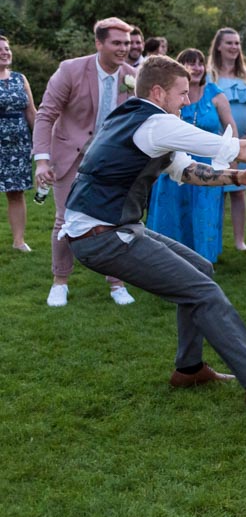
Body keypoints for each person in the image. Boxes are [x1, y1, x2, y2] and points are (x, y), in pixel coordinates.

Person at [65, 55, 246, 403]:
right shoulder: (156, 124)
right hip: (104, 235)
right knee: (205, 291)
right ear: (158, 92)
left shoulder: (130, 118)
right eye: (182, 93)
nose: (188, 100)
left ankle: (189, 369)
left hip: (106, 228)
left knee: (201, 269)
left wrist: (237, 176)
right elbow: (243, 147)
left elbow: (186, 170)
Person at [33, 17, 139, 307]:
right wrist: (42, 161)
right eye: (116, 43)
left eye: (127, 43)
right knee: (65, 220)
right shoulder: (70, 70)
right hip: (70, 154)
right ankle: (60, 281)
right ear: (99, 43)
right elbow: (45, 115)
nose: (123, 49)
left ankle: (117, 283)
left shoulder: (131, 76)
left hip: (112, 160)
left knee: (115, 220)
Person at [146, 49, 235, 263]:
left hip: (207, 164)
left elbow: (230, 127)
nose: (195, 68)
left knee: (203, 212)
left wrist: (231, 159)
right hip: (172, 161)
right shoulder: (168, 95)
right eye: (189, 63)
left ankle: (202, 259)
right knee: (172, 211)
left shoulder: (215, 94)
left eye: (199, 63)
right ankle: (167, 260)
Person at [207, 27, 246, 252]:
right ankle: (212, 239)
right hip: (215, 142)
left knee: (239, 189)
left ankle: (240, 241)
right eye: (229, 43)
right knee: (215, 189)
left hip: (242, 142)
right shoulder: (210, 75)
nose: (233, 47)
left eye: (237, 43)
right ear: (218, 46)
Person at [0, 36, 37, 252]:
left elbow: (31, 112)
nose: (5, 52)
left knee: (16, 192)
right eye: (0, 49)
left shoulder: (19, 78)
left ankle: (18, 241)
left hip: (18, 145)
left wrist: (41, 141)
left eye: (7, 48)